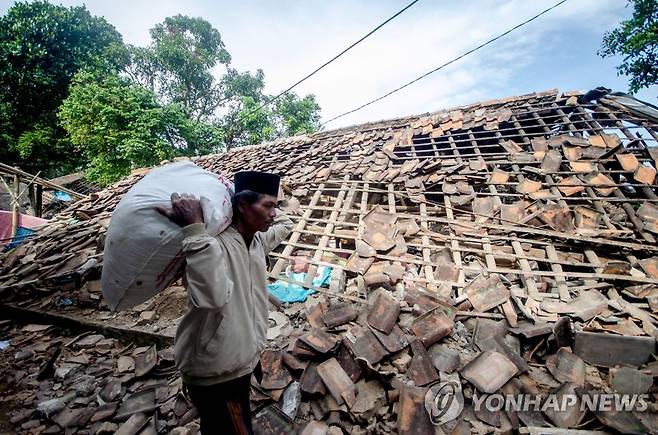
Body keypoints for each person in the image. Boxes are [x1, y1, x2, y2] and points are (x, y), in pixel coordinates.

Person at [155, 171, 293, 434]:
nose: (274, 213)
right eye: (268, 206)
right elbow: (213, 297)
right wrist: (195, 229)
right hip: (216, 370)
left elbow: (286, 224)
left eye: (275, 206)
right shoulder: (211, 244)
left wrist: (273, 197)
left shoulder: (256, 240)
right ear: (241, 205)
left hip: (238, 361)